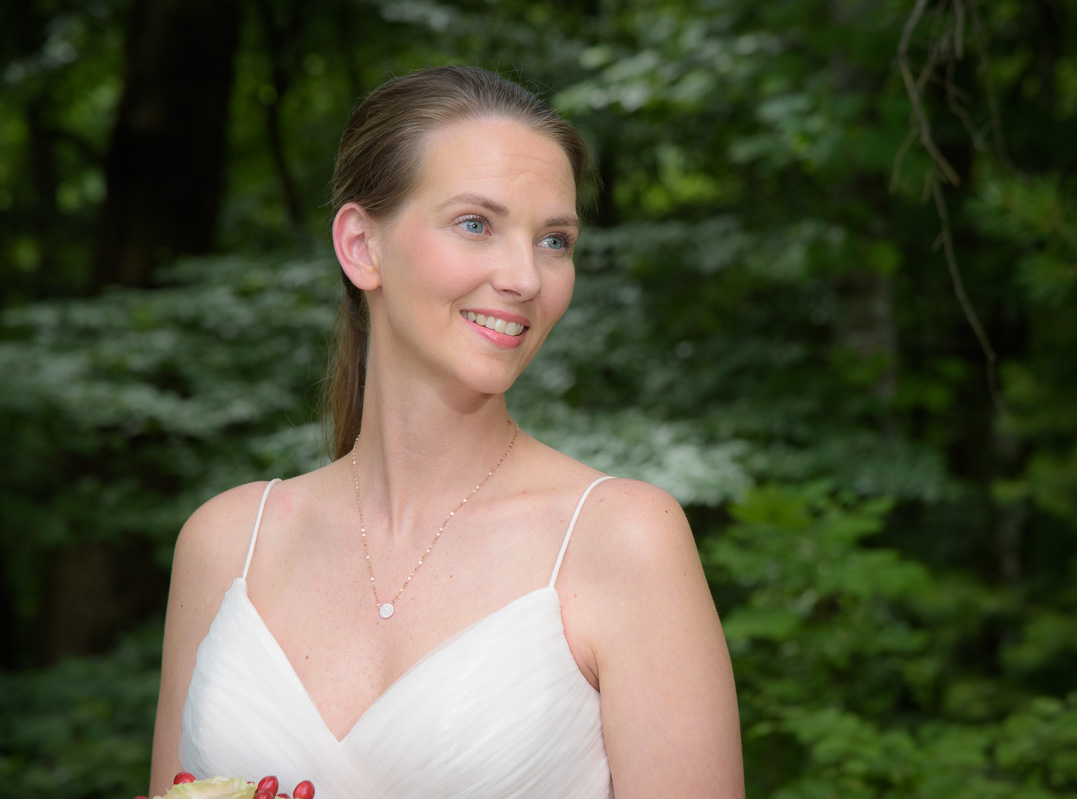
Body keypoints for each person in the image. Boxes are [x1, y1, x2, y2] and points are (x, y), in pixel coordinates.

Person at [149, 65, 743, 798]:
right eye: (476, 224)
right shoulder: (225, 543)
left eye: (554, 239)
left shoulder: (622, 539)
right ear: (362, 247)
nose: (526, 277)